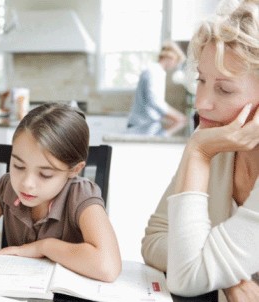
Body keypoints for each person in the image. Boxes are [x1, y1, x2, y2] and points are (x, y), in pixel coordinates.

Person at [141, 1, 259, 301]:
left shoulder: (203, 147)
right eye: (201, 80)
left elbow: (188, 277)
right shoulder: (211, 141)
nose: (201, 103)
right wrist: (223, 272)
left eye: (225, 89)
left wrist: (207, 266)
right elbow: (154, 239)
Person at [0, 103, 122, 282]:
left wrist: (43, 247)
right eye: (18, 165)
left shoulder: (81, 194)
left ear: (74, 170)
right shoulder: (7, 188)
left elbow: (108, 266)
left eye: (45, 174)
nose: (26, 184)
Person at [127, 41, 188, 131]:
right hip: (141, 124)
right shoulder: (154, 72)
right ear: (171, 57)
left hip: (145, 123)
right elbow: (155, 102)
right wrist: (178, 117)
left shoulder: (157, 71)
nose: (175, 66)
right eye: (176, 62)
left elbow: (157, 102)